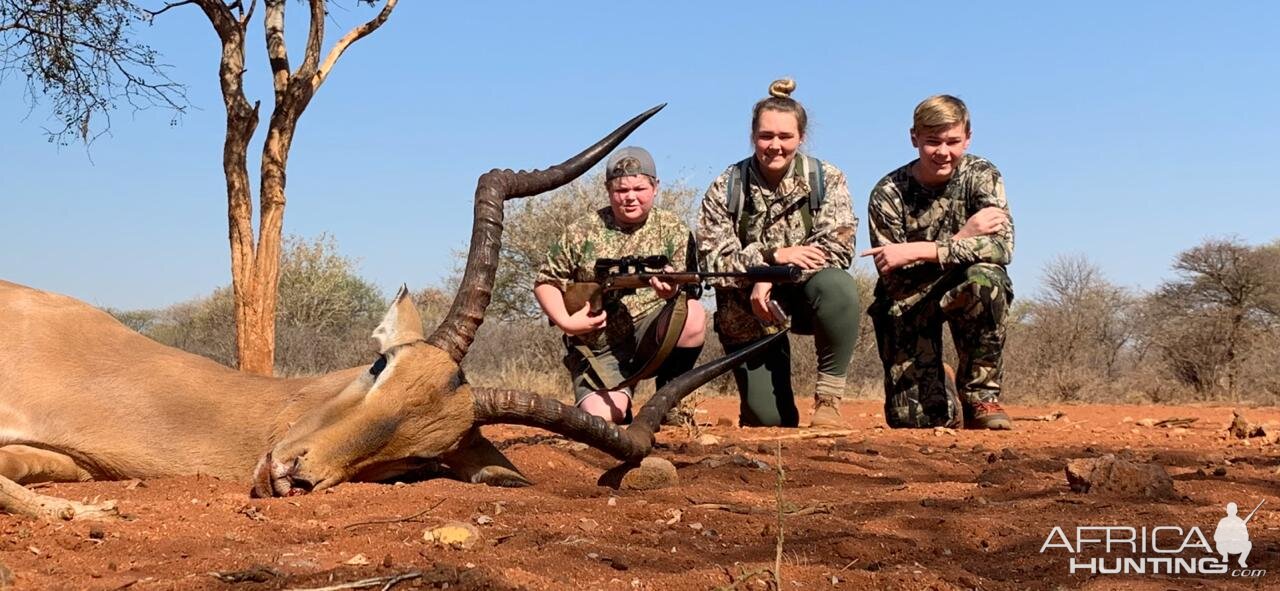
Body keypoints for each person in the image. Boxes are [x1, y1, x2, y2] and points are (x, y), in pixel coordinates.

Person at [697, 79, 860, 428]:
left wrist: (771, 277)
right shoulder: (727, 185)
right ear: (752, 136)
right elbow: (713, 263)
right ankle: (760, 402)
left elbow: (838, 249)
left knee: (838, 286)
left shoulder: (826, 178)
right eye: (765, 136)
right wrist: (769, 260)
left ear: (800, 137)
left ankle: (829, 400)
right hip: (747, 312)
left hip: (804, 296)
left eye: (785, 137)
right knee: (769, 422)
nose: (775, 145)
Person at [861, 94, 1014, 430]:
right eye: (932, 142)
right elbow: (895, 280)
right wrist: (966, 237)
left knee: (986, 278)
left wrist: (918, 250)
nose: (943, 152)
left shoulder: (982, 175)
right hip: (908, 306)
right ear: (914, 138)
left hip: (963, 288)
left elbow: (1002, 249)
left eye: (953, 141)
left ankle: (979, 394)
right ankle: (938, 382)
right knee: (915, 423)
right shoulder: (888, 192)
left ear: (968, 138)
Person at [534, 146, 706, 424]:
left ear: (655, 187)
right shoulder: (583, 230)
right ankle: (618, 400)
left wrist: (672, 291)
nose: (630, 197)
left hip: (650, 338)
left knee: (694, 316)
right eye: (621, 190)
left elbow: (687, 290)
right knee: (602, 418)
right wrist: (567, 322)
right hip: (600, 346)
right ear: (607, 189)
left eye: (639, 189)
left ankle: (669, 401)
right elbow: (545, 281)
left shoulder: (673, 229)